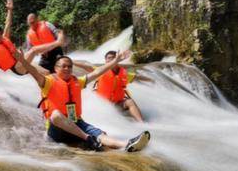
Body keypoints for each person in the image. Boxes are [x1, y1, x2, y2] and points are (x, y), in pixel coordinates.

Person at [13, 49, 150, 152]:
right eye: (63, 66)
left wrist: (115, 61)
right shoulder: (48, 82)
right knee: (55, 115)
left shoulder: (77, 82)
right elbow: (33, 71)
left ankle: (127, 145)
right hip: (58, 129)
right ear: (56, 68)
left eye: (69, 66)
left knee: (101, 135)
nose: (67, 69)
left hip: (76, 123)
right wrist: (23, 60)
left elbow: (97, 72)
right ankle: (87, 139)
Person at [76, 50, 145, 122]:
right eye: (108, 58)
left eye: (112, 58)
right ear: (105, 60)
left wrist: (151, 80)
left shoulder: (124, 73)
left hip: (117, 104)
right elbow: (85, 66)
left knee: (130, 102)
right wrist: (71, 61)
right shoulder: (100, 71)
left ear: (117, 59)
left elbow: (137, 77)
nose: (110, 60)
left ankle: (142, 123)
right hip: (102, 105)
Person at [0, 0, 46, 77]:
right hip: (17, 68)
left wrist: (10, 10)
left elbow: (8, 23)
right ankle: (50, 49)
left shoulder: (5, 38)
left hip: (22, 62)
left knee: (46, 72)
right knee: (33, 50)